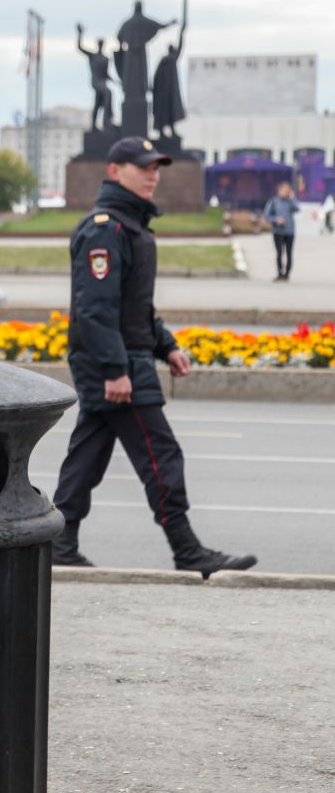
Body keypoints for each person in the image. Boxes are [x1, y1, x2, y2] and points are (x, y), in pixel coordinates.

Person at [50, 137, 257, 578]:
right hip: (116, 365)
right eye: (142, 167)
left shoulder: (130, 226)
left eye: (156, 167)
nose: (153, 175)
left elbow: (134, 307)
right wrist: (115, 370)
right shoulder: (106, 229)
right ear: (114, 171)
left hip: (123, 360)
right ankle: (187, 550)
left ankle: (59, 543)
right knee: (160, 454)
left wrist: (167, 346)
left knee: (88, 454)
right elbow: (95, 309)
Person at [262, 182, 300, 281]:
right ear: (279, 191)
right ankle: (279, 272)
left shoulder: (290, 202)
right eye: (284, 190)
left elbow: (297, 208)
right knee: (279, 252)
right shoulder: (274, 202)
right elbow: (267, 216)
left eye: (287, 190)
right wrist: (276, 219)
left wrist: (292, 197)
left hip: (289, 231)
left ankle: (287, 273)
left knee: (289, 253)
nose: (286, 192)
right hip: (278, 231)